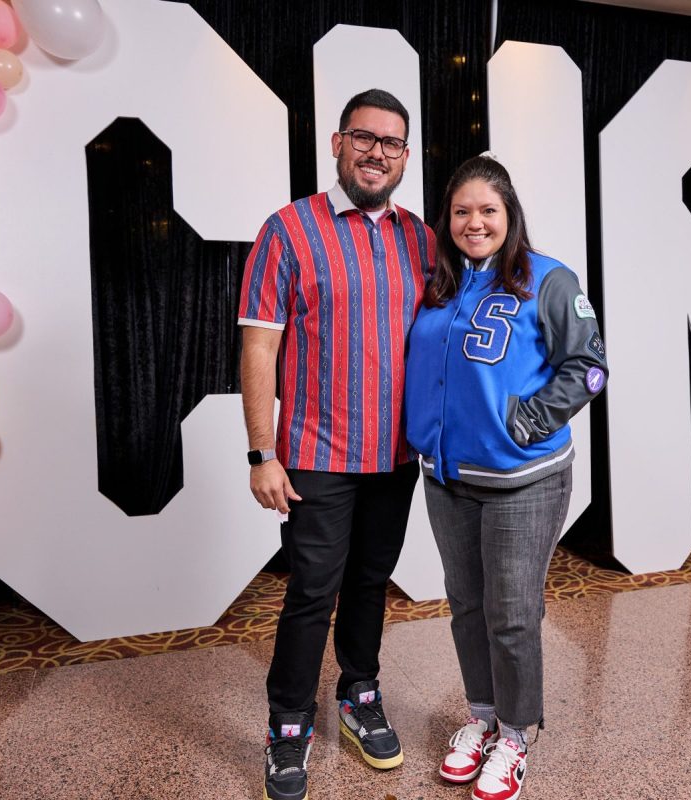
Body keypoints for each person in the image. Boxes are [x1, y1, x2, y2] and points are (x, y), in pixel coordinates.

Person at [238, 89, 435, 800]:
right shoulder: (288, 229)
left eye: (392, 143)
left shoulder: (423, 239)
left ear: (405, 157)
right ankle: (288, 724)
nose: (377, 152)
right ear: (338, 144)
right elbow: (259, 346)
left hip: (397, 455)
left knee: (371, 582)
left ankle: (359, 694)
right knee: (311, 592)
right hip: (316, 454)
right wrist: (262, 453)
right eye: (364, 137)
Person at [404, 155, 608, 800]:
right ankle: (483, 717)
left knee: (512, 615)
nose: (475, 222)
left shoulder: (548, 278)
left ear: (509, 214)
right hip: (447, 478)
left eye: (488, 210)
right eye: (461, 211)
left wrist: (525, 422)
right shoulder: (437, 283)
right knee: (467, 606)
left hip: (524, 479)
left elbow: (589, 367)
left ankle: (516, 735)